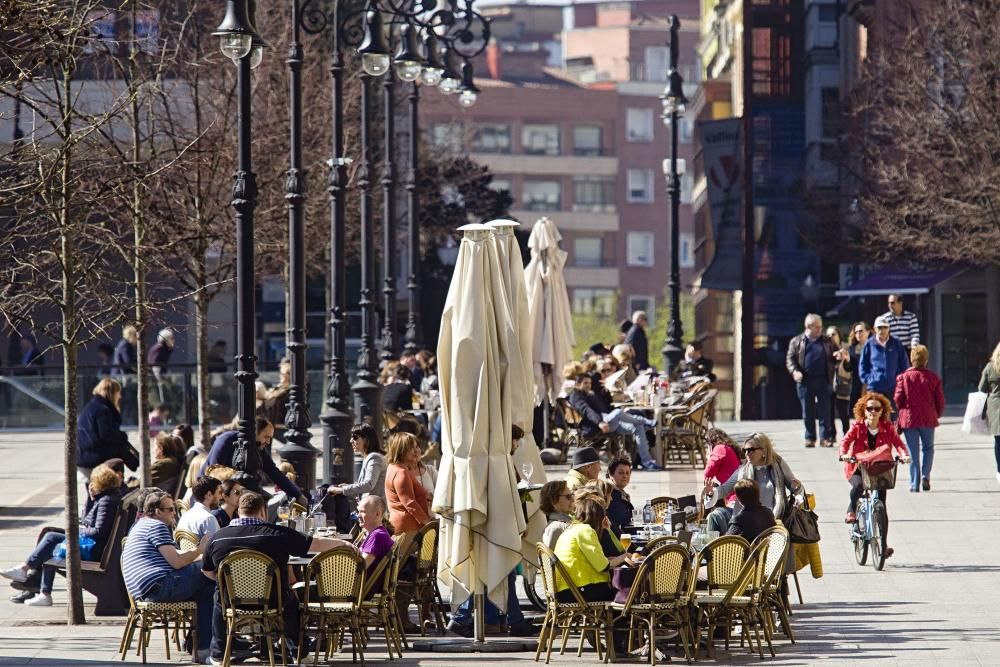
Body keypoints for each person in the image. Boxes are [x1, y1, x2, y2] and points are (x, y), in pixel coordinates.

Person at [201, 491, 353, 664]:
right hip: (273, 600)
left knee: (218, 593)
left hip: (233, 601)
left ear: (238, 512)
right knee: (290, 597)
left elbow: (207, 571)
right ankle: (299, 652)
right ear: (263, 512)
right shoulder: (278, 534)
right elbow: (314, 544)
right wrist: (343, 543)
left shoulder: (217, 538)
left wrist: (233, 584)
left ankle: (218, 654)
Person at [2, 464, 122, 606]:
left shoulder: (106, 501)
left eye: (93, 481)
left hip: (94, 550)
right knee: (50, 536)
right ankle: (33, 580)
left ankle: (35, 582)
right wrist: (91, 498)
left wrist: (76, 531)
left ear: (100, 482)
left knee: (50, 541)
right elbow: (86, 519)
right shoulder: (105, 498)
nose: (91, 484)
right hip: (95, 545)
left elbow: (98, 531)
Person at [122, 491, 214, 662]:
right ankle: (208, 645)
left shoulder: (140, 525)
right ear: (157, 511)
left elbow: (172, 557)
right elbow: (177, 562)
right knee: (210, 571)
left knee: (206, 588)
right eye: (170, 509)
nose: (174, 513)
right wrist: (201, 549)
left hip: (148, 590)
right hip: (160, 586)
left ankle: (199, 645)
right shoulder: (157, 527)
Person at [839, 392, 910, 558]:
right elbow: (845, 441)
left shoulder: (887, 427)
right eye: (869, 408)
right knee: (858, 485)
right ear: (864, 410)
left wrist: (904, 455)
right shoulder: (857, 427)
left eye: (877, 408)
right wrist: (844, 454)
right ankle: (852, 508)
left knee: (882, 508)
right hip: (858, 467)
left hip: (879, 469)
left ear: (881, 410)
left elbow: (898, 444)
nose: (873, 411)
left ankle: (882, 546)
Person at [705, 433, 802, 535]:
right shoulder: (743, 470)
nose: (746, 454)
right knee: (715, 516)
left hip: (774, 522)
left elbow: (795, 486)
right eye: (744, 450)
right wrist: (711, 492)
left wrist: (796, 486)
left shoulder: (778, 464)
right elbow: (725, 489)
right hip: (748, 522)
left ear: (763, 450)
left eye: (750, 450)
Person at [203, 416, 307, 507]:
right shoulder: (225, 440)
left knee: (270, 503)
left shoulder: (259, 447)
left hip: (235, 492)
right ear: (255, 432)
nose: (268, 442)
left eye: (270, 438)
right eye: (266, 437)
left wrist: (298, 495)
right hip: (209, 494)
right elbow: (213, 472)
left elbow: (275, 473)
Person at [567, 375, 661, 471]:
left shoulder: (589, 394)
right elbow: (586, 410)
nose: (588, 385)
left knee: (638, 426)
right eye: (585, 383)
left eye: (590, 383)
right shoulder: (576, 396)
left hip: (607, 421)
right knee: (618, 412)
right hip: (595, 426)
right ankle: (646, 421)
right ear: (577, 384)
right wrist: (600, 422)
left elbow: (604, 409)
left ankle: (647, 462)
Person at [894, 345, 944, 492]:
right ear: (926, 360)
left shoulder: (903, 377)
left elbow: (897, 399)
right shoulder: (933, 378)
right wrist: (937, 414)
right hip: (928, 418)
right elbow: (940, 400)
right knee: (928, 448)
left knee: (913, 451)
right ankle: (925, 477)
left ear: (911, 359)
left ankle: (914, 484)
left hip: (909, 419)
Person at [786, 313, 838, 447]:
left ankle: (825, 438)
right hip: (805, 382)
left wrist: (839, 355)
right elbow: (790, 359)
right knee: (807, 411)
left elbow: (835, 354)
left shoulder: (827, 341)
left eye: (821, 327)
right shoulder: (797, 341)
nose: (821, 329)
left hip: (824, 380)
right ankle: (810, 438)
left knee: (825, 411)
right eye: (818, 327)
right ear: (808, 327)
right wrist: (795, 371)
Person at [77, 378, 139, 489]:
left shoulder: (92, 407)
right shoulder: (103, 410)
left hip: (85, 457)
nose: (119, 397)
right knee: (107, 491)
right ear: (112, 393)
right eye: (118, 393)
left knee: (96, 493)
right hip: (96, 459)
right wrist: (122, 437)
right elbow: (107, 435)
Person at [325, 422, 387, 531]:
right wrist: (350, 486)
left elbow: (369, 484)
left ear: (366, 440)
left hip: (374, 514)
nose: (351, 441)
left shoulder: (374, 458)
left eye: (355, 437)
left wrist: (341, 490)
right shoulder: (369, 457)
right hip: (369, 513)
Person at [859, 315, 910, 415]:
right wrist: (870, 379)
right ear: (874, 329)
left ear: (889, 328)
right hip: (875, 388)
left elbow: (904, 363)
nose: (882, 330)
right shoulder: (869, 344)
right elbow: (862, 366)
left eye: (885, 327)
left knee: (893, 418)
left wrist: (900, 380)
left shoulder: (896, 343)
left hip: (893, 388)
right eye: (879, 328)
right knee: (876, 418)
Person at [384, 432, 430, 540]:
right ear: (401, 449)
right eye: (411, 448)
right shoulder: (401, 472)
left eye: (416, 446)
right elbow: (410, 503)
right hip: (408, 527)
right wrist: (428, 523)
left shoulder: (393, 468)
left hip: (404, 526)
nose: (416, 450)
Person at [701, 428, 743, 507]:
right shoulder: (727, 448)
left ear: (710, 442)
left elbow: (707, 475)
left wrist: (709, 456)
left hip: (734, 499)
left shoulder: (719, 448)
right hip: (734, 495)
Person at [726, 479, 776, 543]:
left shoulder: (739, 521)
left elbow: (726, 543)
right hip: (768, 551)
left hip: (749, 552)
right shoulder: (768, 513)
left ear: (739, 499)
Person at [979, 341, 1000, 485]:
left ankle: (999, 471)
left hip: (995, 408)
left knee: (998, 441)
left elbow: (982, 388)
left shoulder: (989, 367)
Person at [827, 326, 852, 437]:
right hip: (828, 383)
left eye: (833, 334)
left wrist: (845, 357)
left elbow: (850, 366)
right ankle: (831, 435)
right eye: (828, 335)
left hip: (842, 383)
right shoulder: (825, 349)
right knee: (829, 411)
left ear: (839, 335)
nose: (831, 337)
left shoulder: (846, 348)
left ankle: (847, 435)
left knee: (843, 411)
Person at [844, 322, 870, 416]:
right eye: (856, 332)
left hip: (871, 383)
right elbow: (848, 368)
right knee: (859, 412)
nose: (858, 334)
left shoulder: (875, 346)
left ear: (867, 332)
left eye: (861, 331)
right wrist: (847, 360)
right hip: (856, 384)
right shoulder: (852, 349)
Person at [540, 480, 574, 549]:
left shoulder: (558, 525)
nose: (573, 499)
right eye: (568, 496)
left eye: (572, 495)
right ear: (553, 501)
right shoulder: (556, 528)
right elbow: (549, 558)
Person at [605, 457, 633, 538]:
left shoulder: (621, 493)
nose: (625, 476)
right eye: (621, 473)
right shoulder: (610, 494)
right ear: (611, 474)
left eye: (627, 473)